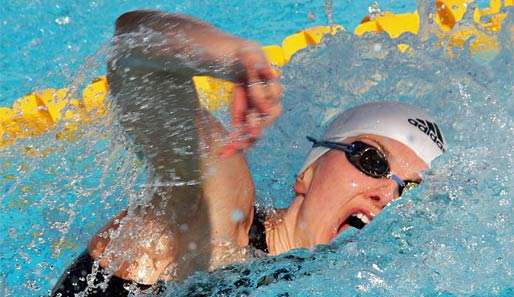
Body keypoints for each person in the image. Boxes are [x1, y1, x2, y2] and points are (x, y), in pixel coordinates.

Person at [51, 10, 447, 297]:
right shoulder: (217, 219)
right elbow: (133, 48)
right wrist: (233, 56)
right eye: (371, 161)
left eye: (407, 191)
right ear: (307, 174)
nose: (387, 193)